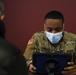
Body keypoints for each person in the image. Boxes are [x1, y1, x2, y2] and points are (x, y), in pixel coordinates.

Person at [23, 10, 76, 75]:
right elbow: (25, 59)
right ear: (44, 27)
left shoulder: (73, 39)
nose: (53, 32)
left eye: (58, 29)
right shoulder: (37, 38)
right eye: (49, 29)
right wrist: (29, 65)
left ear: (63, 26)